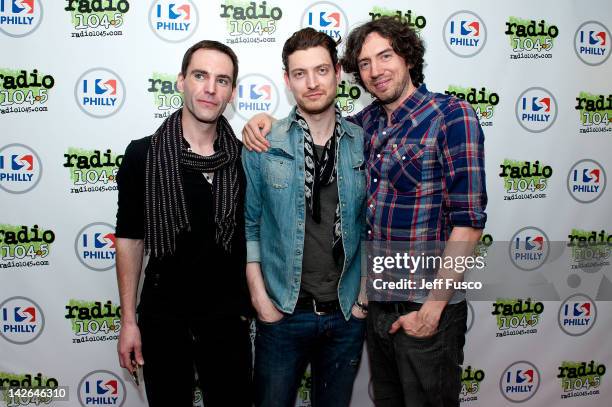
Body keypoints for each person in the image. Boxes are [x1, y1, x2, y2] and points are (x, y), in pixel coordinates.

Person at [242, 17, 487, 407]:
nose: (376, 71)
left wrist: (432, 308)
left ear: (408, 57)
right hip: (372, 308)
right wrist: (266, 123)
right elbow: (313, 125)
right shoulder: (367, 124)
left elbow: (469, 221)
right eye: (367, 63)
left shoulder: (450, 116)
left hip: (423, 304)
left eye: (385, 56)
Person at [115, 40, 252, 407]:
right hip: (163, 318)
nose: (210, 88)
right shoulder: (143, 155)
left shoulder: (245, 158)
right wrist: (129, 322)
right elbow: (129, 240)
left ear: (232, 93)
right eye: (200, 76)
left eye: (222, 80)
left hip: (227, 319)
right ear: (181, 81)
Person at [242, 28, 368, 407]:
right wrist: (260, 300)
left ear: (338, 73)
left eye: (321, 71)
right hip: (282, 313)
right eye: (300, 74)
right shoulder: (264, 143)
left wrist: (363, 298)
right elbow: (249, 226)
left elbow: (372, 224)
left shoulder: (364, 141)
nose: (312, 83)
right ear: (287, 80)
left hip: (346, 315)